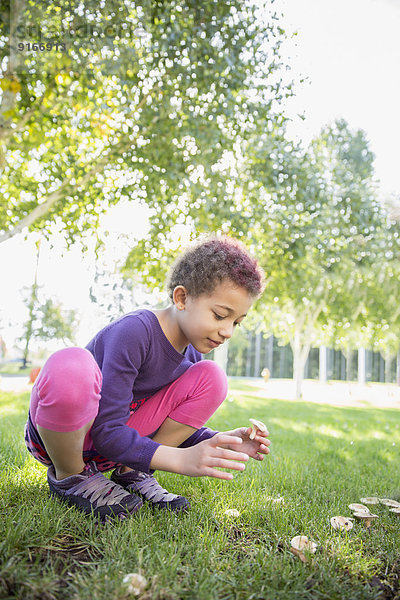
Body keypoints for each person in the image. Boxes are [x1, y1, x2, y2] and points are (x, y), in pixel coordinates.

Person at [24, 236, 270, 520]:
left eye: (236, 322)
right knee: (71, 364)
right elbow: (106, 430)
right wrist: (179, 460)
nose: (228, 331)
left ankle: (133, 472)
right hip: (67, 437)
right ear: (182, 298)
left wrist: (222, 440)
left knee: (213, 377)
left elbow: (164, 422)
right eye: (219, 315)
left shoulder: (193, 355)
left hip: (117, 449)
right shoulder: (135, 332)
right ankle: (71, 475)